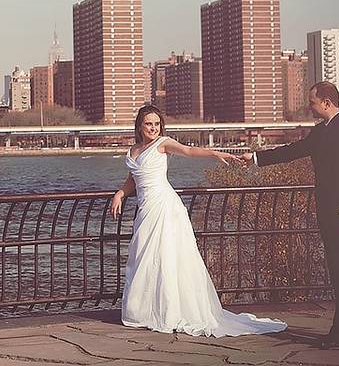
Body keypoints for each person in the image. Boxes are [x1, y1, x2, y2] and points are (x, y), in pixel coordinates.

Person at [110, 104, 287, 337]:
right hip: (146, 209)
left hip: (164, 206)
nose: (153, 128)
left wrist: (215, 154)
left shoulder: (163, 143)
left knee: (166, 258)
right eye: (148, 124)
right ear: (140, 126)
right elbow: (133, 177)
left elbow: (189, 151)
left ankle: (169, 312)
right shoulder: (133, 149)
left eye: (156, 124)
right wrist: (120, 193)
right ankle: (145, 312)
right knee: (144, 255)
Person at [241, 81, 339, 349]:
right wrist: (256, 159)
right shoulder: (320, 132)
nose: (308, 107)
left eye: (312, 102)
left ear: (326, 102)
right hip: (328, 210)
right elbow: (292, 152)